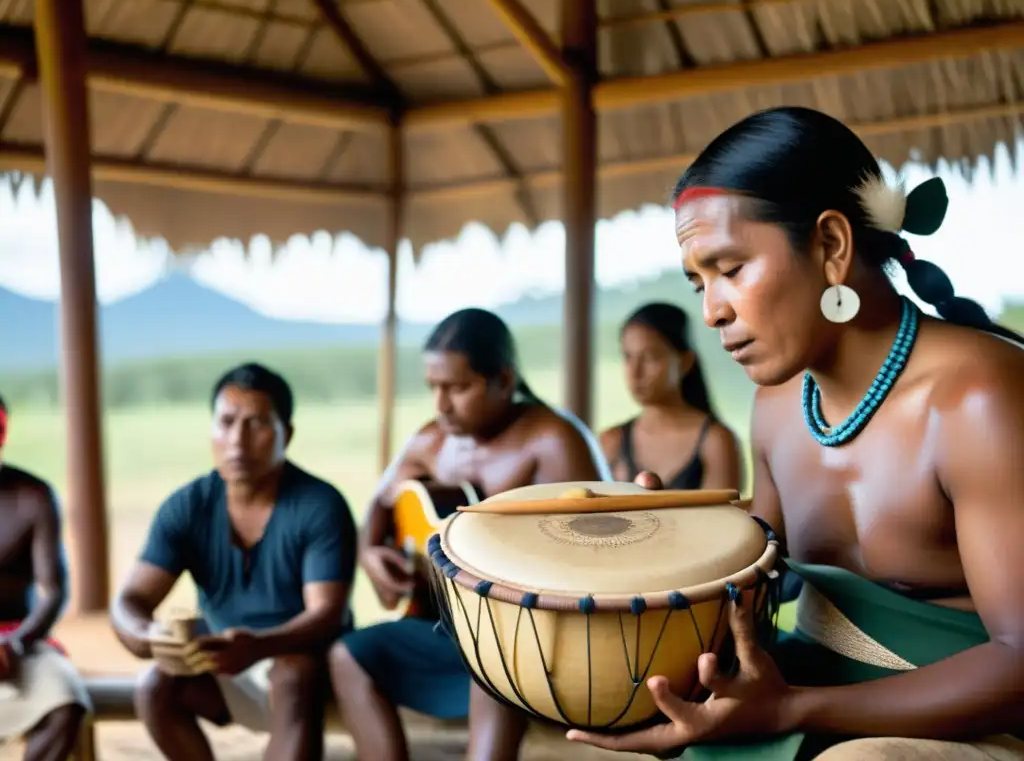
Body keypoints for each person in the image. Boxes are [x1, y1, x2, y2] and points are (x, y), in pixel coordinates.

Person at [566, 107, 1024, 760]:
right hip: (804, 702)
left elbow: (1020, 662)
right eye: (698, 282)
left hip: (973, 727)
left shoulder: (980, 399)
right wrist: (662, 539)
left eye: (731, 268)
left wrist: (794, 708)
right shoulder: (778, 406)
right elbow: (759, 590)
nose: (712, 310)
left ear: (831, 245)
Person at [329, 307, 612, 761]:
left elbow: (602, 553)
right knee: (349, 656)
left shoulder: (553, 440)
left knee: (495, 657)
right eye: (434, 388)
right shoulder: (432, 441)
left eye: (457, 388)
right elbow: (380, 505)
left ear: (503, 378)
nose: (441, 405)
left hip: (530, 641)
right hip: (445, 631)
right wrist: (369, 554)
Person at [110, 363, 357, 761]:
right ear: (211, 429)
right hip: (227, 665)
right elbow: (129, 600)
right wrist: (146, 636)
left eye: (257, 423)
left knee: (294, 673)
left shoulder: (320, 505)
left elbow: (327, 614)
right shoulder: (187, 507)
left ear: (286, 435)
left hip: (307, 675)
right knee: (155, 685)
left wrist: (258, 646)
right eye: (226, 422)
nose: (237, 440)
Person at [0, 392, 90, 761]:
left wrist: (16, 644)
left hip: (20, 639)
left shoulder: (32, 496)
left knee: (66, 700)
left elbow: (53, 591)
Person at [601, 302, 743, 490]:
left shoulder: (715, 442)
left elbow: (724, 518)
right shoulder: (611, 442)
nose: (635, 372)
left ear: (685, 362)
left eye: (650, 357)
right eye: (628, 357)